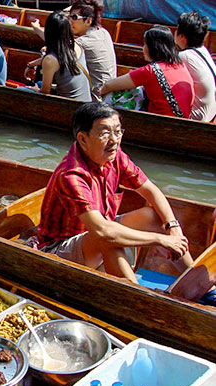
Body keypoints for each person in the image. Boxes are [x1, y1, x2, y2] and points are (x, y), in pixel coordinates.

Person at [36, 102, 193, 284]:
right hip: (60, 249)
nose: (114, 140)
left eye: (118, 131)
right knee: (108, 237)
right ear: (83, 139)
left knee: (154, 216)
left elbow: (150, 190)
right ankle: (136, 294)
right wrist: (159, 240)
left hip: (97, 232)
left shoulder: (115, 156)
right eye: (104, 133)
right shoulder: (71, 175)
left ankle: (193, 281)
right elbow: (103, 230)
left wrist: (173, 227)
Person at [101, 25, 194, 118]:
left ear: (153, 47)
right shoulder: (180, 65)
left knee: (118, 94)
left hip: (159, 122)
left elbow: (108, 85)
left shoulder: (150, 71)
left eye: (145, 44)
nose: (143, 48)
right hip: (181, 119)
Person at [31, 0, 116, 100]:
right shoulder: (104, 32)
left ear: (88, 21)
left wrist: (36, 28)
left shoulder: (82, 43)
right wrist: (33, 63)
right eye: (69, 16)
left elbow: (57, 41)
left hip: (96, 96)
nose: (70, 21)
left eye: (75, 17)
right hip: (104, 92)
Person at [27, 11, 91, 101]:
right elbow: (58, 59)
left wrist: (34, 90)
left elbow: (45, 92)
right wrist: (31, 64)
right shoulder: (75, 46)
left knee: (22, 90)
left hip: (69, 107)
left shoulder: (50, 60)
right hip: (85, 103)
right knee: (40, 83)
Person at [175, 12, 216, 122]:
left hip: (197, 118)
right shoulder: (203, 51)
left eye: (177, 30)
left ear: (182, 37)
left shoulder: (184, 56)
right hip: (211, 114)